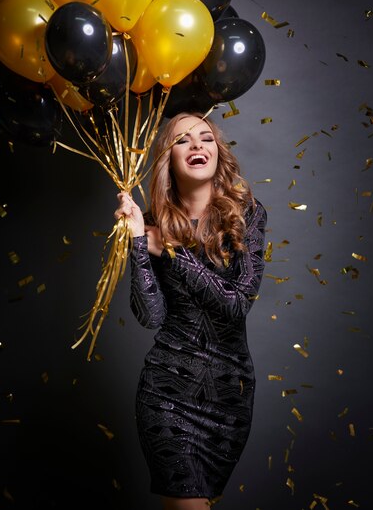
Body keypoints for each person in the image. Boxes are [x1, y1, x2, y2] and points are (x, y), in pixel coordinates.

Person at [114, 112, 267, 510]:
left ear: (218, 153)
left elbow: (236, 303)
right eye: (183, 140)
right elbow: (151, 316)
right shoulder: (148, 224)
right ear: (169, 157)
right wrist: (137, 243)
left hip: (230, 397)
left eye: (206, 138)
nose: (197, 145)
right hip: (167, 394)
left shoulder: (247, 215)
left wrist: (170, 249)